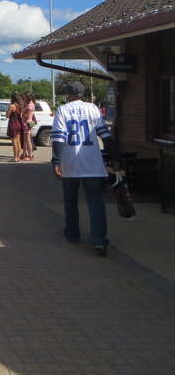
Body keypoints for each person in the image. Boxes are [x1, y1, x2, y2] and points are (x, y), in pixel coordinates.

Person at [52, 82, 117, 256]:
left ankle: (72, 233)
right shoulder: (93, 108)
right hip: (93, 163)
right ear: (82, 93)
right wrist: (115, 158)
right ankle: (99, 240)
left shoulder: (63, 110)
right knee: (96, 202)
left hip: (70, 162)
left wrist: (56, 161)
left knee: (70, 200)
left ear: (67, 94)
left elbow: (58, 138)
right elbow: (105, 135)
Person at [6, 92, 25, 162]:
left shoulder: (12, 106)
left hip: (13, 124)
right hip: (19, 124)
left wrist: (7, 112)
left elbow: (7, 115)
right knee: (18, 142)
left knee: (14, 142)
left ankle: (15, 158)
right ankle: (18, 157)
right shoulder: (20, 106)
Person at [21, 92, 37, 161]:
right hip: (26, 123)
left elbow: (29, 116)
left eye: (25, 97)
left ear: (28, 98)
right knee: (25, 140)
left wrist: (23, 113)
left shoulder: (30, 105)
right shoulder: (30, 104)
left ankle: (30, 155)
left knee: (28, 140)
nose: (24, 98)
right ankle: (24, 154)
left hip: (27, 123)